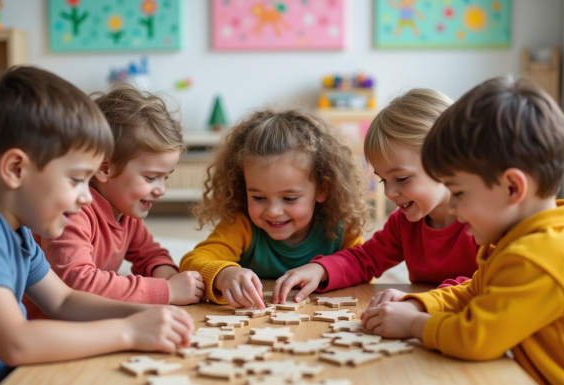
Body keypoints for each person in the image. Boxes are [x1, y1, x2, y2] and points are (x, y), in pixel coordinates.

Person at [0, 67, 193, 385]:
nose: (87, 197)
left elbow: (64, 300)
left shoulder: (17, 232)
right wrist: (129, 331)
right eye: (76, 179)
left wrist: (144, 315)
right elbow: (16, 342)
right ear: (16, 169)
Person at [362, 77, 564, 384]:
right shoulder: (517, 239)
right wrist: (420, 303)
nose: (455, 209)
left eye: (459, 194)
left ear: (512, 188)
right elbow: (475, 290)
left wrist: (415, 325)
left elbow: (476, 338)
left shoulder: (537, 257)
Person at [273, 89, 478, 304]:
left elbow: (486, 284)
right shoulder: (403, 223)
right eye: (383, 180)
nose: (389, 193)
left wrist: (419, 302)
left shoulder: (486, 221)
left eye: (401, 178)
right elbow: (366, 259)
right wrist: (320, 269)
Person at [25, 84, 204, 320]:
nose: (161, 190)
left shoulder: (126, 210)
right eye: (151, 177)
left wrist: (171, 277)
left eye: (165, 177)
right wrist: (167, 290)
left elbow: (150, 255)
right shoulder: (73, 211)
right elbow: (77, 283)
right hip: (44, 327)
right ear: (105, 168)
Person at [180, 109, 369, 309]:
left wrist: (322, 270)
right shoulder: (241, 225)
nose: (273, 211)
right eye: (259, 197)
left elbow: (363, 270)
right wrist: (223, 274)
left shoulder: (340, 227)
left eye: (289, 198)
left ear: (322, 189)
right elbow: (191, 262)